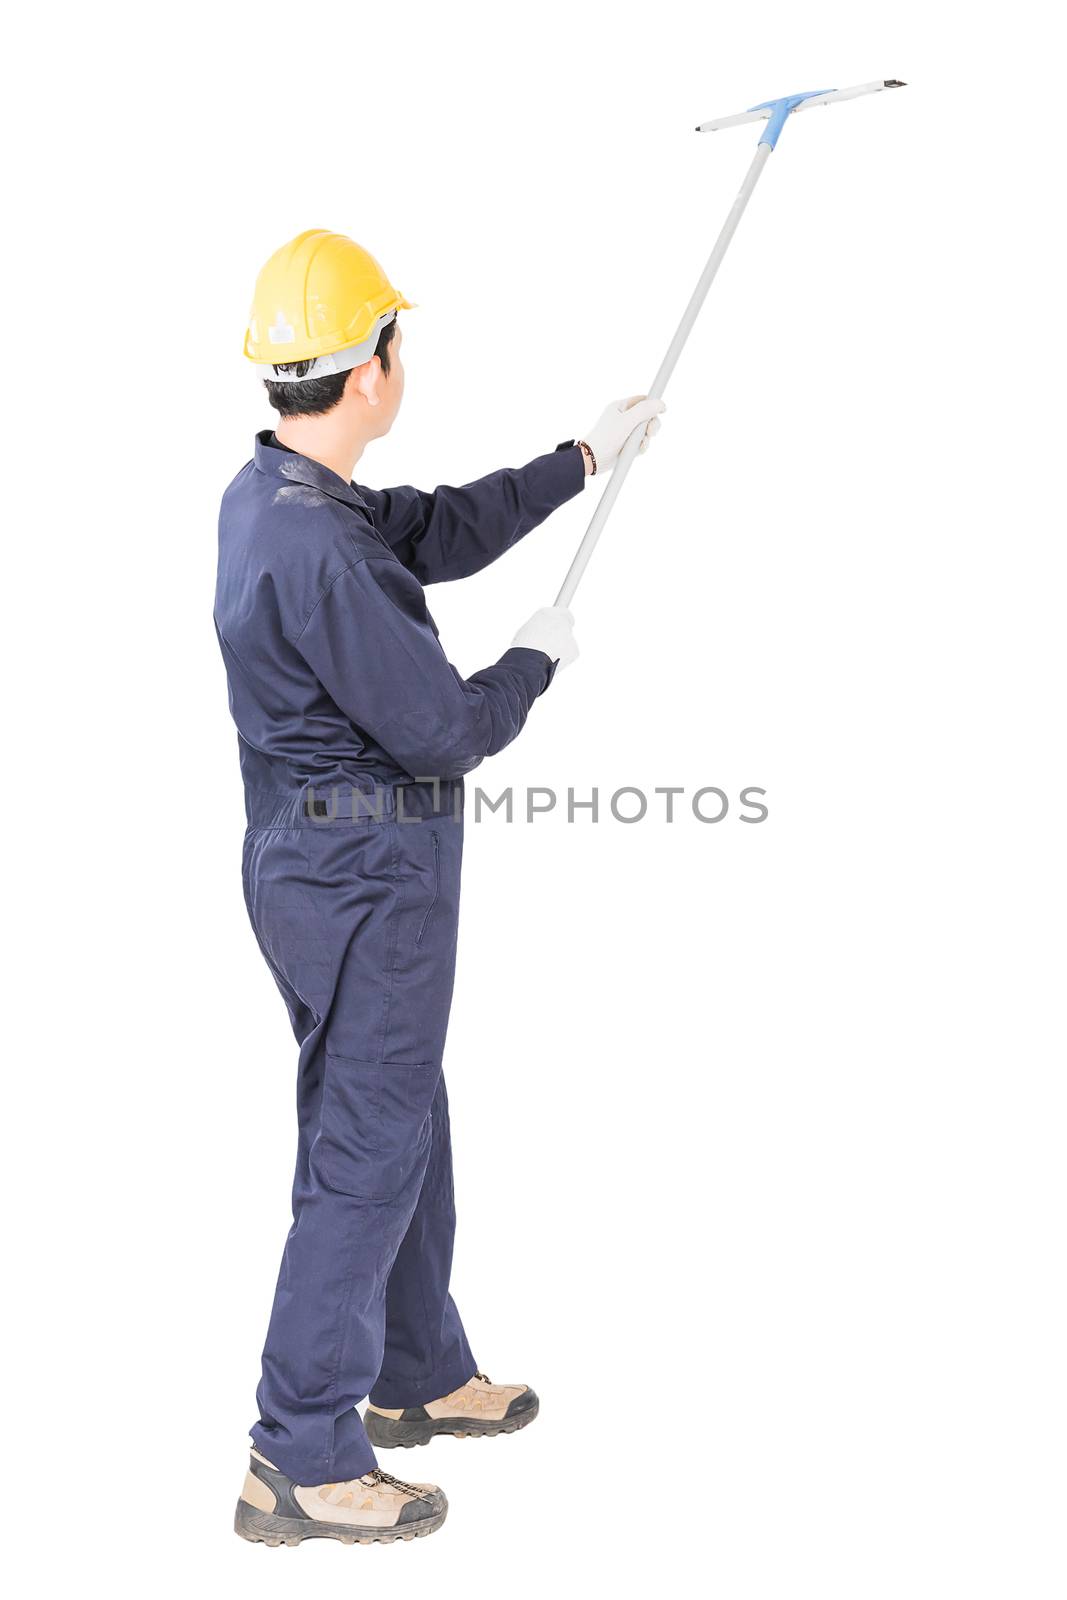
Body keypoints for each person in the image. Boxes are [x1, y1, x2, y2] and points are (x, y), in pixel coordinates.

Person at [216, 229, 664, 1546]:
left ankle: (414, 1373)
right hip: (370, 884)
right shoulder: (327, 554)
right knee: (365, 1150)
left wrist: (579, 464)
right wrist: (535, 661)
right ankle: (296, 1455)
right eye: (399, 340)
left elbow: (436, 528)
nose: (406, 359)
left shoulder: (280, 499)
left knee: (399, 1117)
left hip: (313, 875)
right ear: (372, 367)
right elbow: (448, 732)